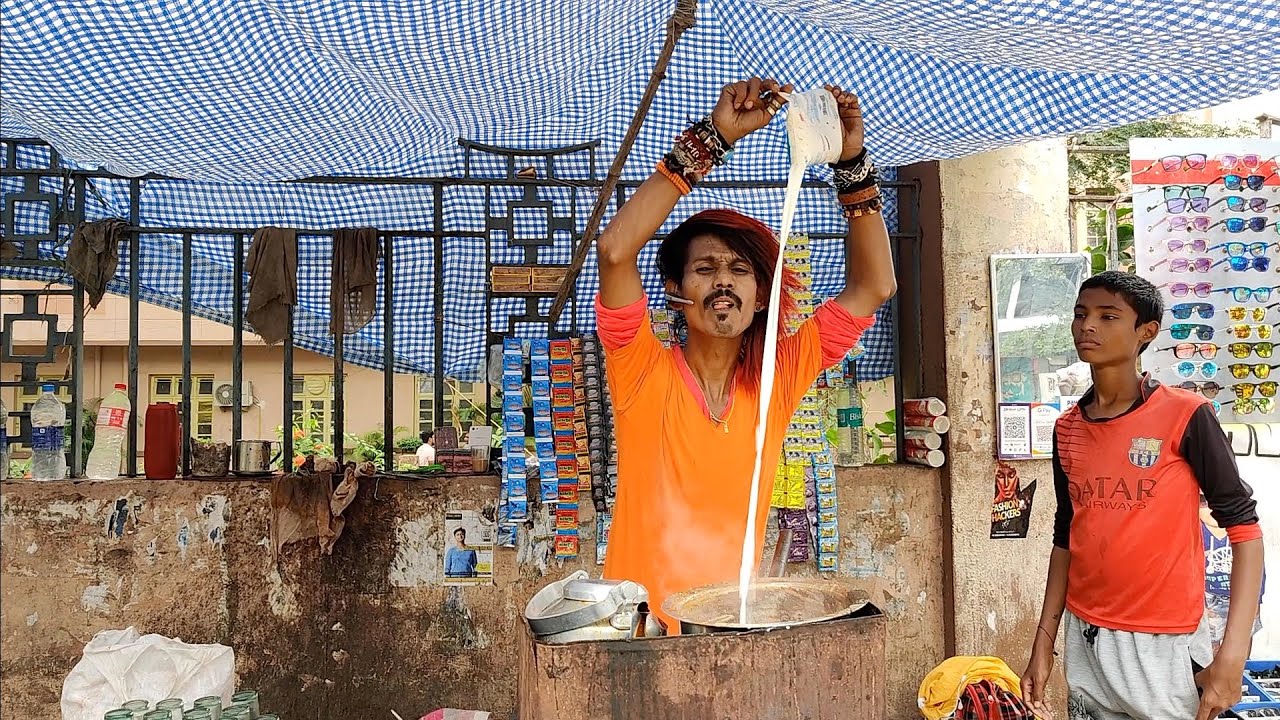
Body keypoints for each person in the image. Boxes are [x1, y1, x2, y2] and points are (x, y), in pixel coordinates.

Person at [594, 77, 896, 628]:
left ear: (763, 296)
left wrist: (852, 164)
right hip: (635, 633)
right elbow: (616, 250)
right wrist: (711, 140)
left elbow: (873, 287)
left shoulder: (779, 376)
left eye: (740, 271)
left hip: (727, 632)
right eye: (706, 269)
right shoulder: (638, 367)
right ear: (676, 291)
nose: (724, 283)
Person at [1022, 271, 1263, 720]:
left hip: (1160, 641)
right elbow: (1065, 538)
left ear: (1145, 332)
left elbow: (1245, 531)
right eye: (1081, 314)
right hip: (1085, 634)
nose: (1087, 326)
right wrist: (1044, 642)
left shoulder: (1186, 414)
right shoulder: (1067, 428)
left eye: (1107, 316)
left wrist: (1232, 656)